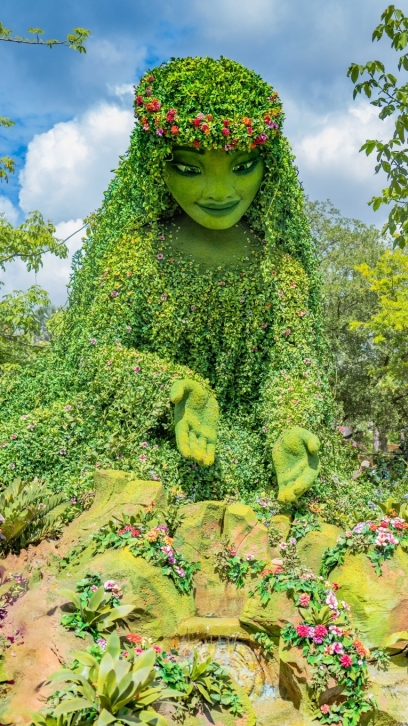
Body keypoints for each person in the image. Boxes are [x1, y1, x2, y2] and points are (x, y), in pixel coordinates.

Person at [0, 56, 335, 503]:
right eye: (190, 168)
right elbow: (95, 351)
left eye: (241, 166)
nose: (220, 192)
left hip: (247, 447)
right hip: (135, 430)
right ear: (156, 164)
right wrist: (172, 389)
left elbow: (294, 367)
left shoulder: (282, 271)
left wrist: (291, 423)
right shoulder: (135, 252)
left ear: (267, 165)